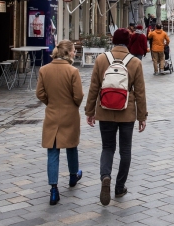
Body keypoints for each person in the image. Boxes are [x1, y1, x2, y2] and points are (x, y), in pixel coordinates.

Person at [85, 29, 147, 206]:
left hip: (104, 110)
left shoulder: (101, 59)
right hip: (126, 112)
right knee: (125, 150)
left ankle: (105, 177)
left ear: (113, 40)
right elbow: (140, 92)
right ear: (128, 41)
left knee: (107, 147)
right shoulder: (135, 62)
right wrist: (142, 116)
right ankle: (120, 187)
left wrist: (90, 111)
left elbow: (94, 87)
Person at [36, 40, 84, 205]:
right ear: (69, 52)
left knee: (53, 151)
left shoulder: (44, 70)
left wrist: (50, 103)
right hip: (69, 114)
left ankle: (54, 189)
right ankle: (73, 175)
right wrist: (72, 105)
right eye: (73, 51)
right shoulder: (72, 71)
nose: (75, 53)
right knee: (71, 145)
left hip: (52, 113)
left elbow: (40, 93)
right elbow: (78, 96)